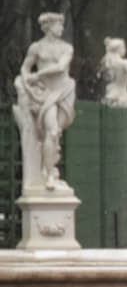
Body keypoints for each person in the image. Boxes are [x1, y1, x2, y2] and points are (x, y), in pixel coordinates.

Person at [13, 12, 76, 191]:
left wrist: (37, 75)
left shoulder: (67, 48)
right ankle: (49, 175)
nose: (61, 28)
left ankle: (48, 168)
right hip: (45, 94)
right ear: (48, 27)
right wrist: (27, 83)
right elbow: (25, 68)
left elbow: (61, 67)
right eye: (58, 25)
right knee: (52, 131)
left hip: (63, 91)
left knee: (54, 135)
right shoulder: (36, 47)